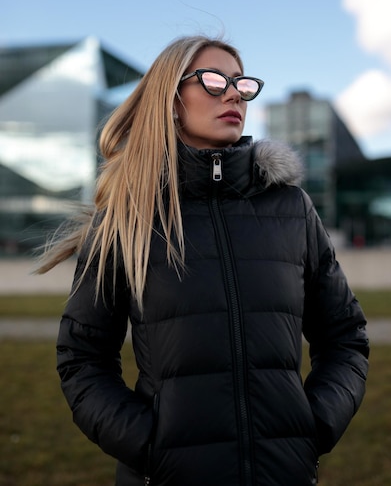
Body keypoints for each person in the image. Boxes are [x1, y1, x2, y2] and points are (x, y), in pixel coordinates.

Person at [37, 35, 369, 486]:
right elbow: (82, 359)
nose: (234, 93)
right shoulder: (126, 219)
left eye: (241, 84)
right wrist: (149, 447)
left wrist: (313, 426)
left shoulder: (290, 208)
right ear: (171, 99)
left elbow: (345, 337)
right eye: (213, 81)